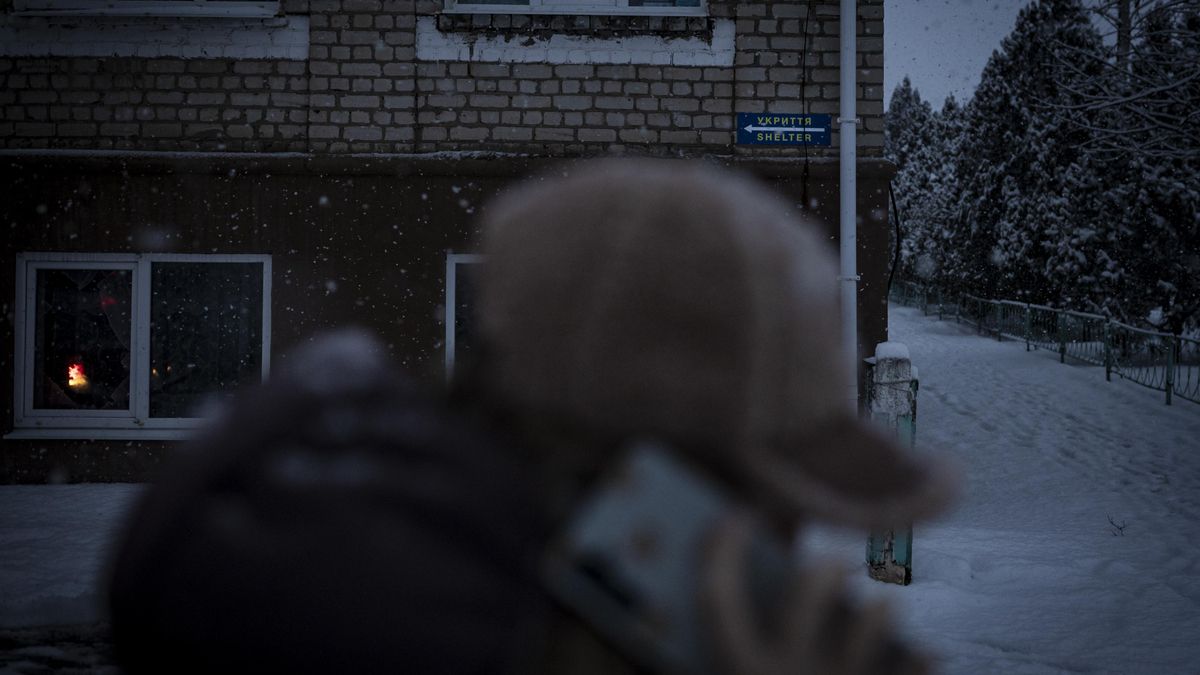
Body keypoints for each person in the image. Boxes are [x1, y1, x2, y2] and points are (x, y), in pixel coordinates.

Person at [107, 159, 953, 675]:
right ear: (644, 476)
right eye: (770, 496)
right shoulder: (403, 628)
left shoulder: (384, 512)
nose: (790, 541)